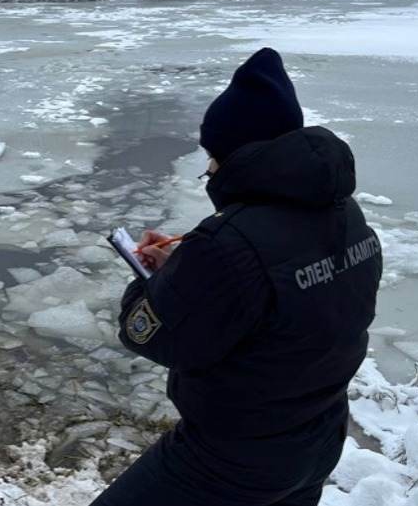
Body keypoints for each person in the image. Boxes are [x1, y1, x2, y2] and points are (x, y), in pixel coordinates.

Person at [91, 48, 383, 506]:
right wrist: (189, 269)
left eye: (212, 154)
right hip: (319, 438)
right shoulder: (345, 214)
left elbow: (152, 336)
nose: (208, 166)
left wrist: (150, 278)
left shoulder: (228, 243)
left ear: (237, 154)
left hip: (229, 458)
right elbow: (282, 297)